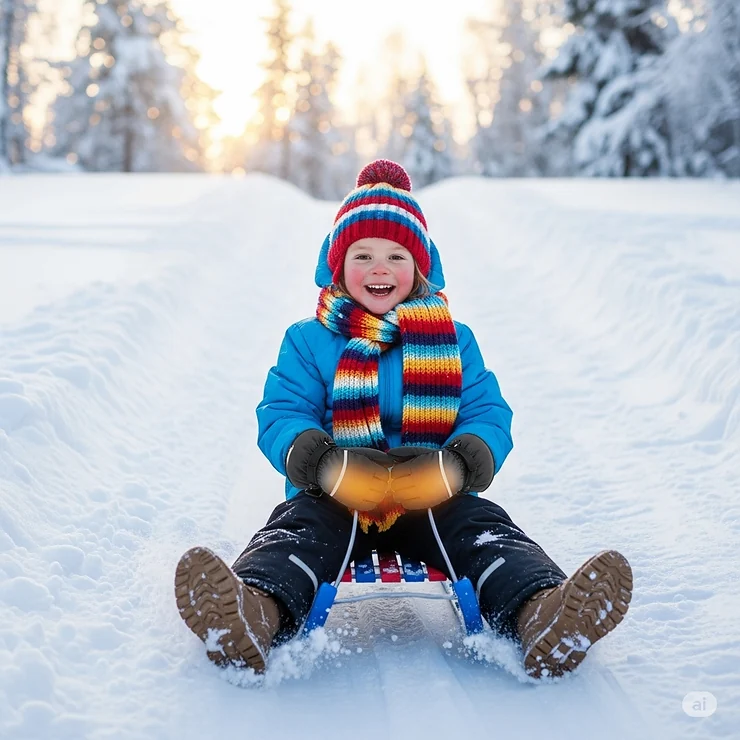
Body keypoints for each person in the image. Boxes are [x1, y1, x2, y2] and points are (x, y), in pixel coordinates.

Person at [174, 159, 633, 679]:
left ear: (420, 268)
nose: (379, 267)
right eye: (362, 254)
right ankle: (252, 614)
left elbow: (487, 411)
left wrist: (461, 463)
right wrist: (320, 461)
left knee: (483, 531)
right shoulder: (309, 339)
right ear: (336, 266)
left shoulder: (453, 340)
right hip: (337, 491)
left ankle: (541, 615)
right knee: (296, 533)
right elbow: (282, 411)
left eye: (396, 255)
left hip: (430, 490)